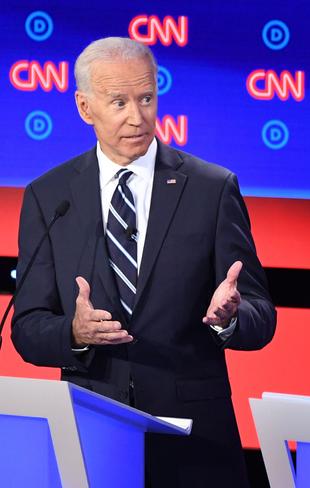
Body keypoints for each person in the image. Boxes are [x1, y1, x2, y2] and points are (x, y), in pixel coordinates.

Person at [11, 37, 276, 487]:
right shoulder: (49, 196)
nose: (137, 117)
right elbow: (27, 327)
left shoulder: (211, 189)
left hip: (196, 446)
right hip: (90, 440)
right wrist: (72, 333)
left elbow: (261, 315)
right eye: (118, 102)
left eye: (147, 98)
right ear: (84, 107)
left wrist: (230, 319)